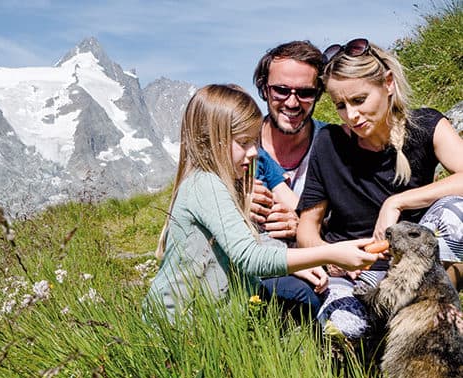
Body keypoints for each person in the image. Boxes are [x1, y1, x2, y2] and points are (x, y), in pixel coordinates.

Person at [146, 84, 379, 321]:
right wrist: (330, 253)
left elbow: (250, 242)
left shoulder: (225, 182)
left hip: (212, 319)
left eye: (254, 141)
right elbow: (250, 257)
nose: (255, 151)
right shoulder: (206, 185)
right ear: (211, 140)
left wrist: (296, 263)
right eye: (244, 142)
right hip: (180, 324)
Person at [297, 38, 463, 340]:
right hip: (355, 274)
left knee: (456, 211)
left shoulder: (426, 126)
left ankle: (431, 312)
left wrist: (395, 202)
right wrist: (333, 255)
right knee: (347, 329)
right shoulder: (328, 143)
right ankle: (393, 332)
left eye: (359, 100)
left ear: (387, 83)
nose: (351, 115)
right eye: (340, 105)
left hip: (416, 268)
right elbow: (306, 229)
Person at [250, 40, 328, 317]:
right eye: (281, 90)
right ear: (263, 88)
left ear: (319, 93)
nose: (292, 102)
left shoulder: (334, 145)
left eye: (306, 93)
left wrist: (308, 224)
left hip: (318, 268)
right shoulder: (239, 146)